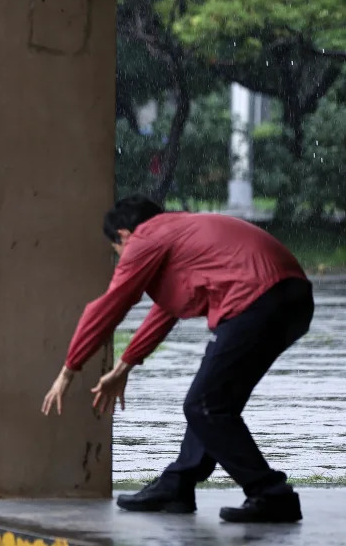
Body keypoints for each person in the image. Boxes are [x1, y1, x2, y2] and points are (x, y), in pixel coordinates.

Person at [41, 195, 313, 523]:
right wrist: (123, 367)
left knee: (205, 406)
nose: (122, 259)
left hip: (256, 301)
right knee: (212, 403)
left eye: (117, 253)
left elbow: (112, 303)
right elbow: (166, 311)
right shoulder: (179, 233)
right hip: (291, 300)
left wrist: (69, 370)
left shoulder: (145, 239)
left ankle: (270, 493)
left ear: (124, 236)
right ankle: (177, 484)